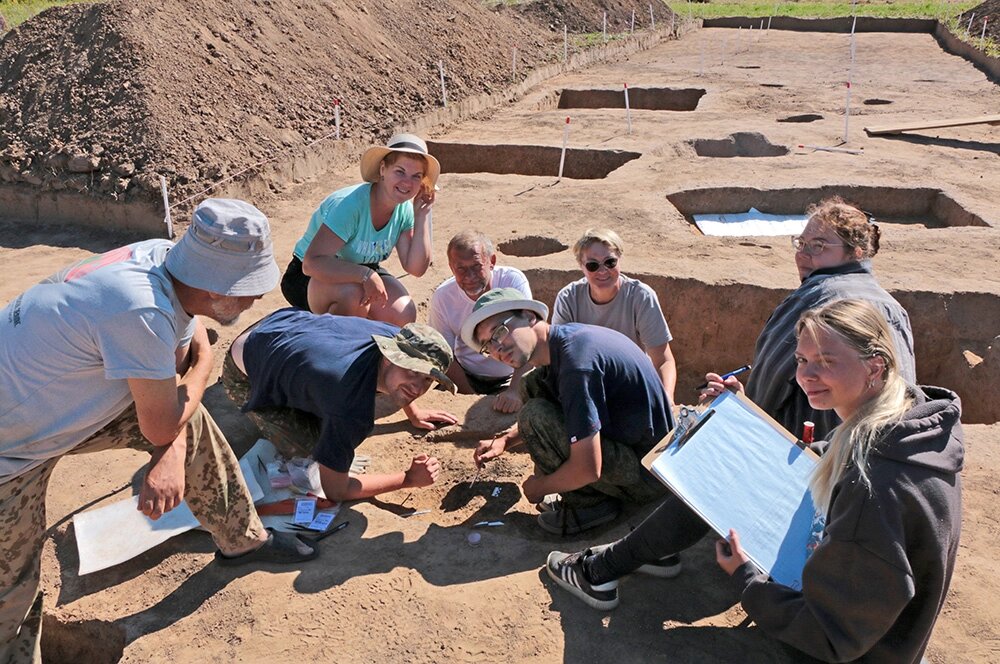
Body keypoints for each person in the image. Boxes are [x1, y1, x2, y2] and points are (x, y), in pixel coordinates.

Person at [546, 299, 962, 664]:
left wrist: (747, 578)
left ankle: (605, 568)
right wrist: (741, 417)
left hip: (852, 650)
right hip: (879, 623)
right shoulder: (905, 422)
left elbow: (830, 636)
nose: (807, 375)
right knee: (722, 471)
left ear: (875, 366)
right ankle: (625, 560)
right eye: (801, 360)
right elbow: (825, 461)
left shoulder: (874, 485)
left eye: (827, 361)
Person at [0, 199, 317, 663]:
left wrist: (167, 452)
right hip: (10, 449)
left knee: (193, 423)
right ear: (214, 288)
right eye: (249, 289)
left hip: (53, 407)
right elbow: (186, 378)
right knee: (11, 581)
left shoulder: (163, 262)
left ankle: (242, 540)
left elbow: (177, 374)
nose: (255, 300)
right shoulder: (141, 310)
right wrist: (207, 360)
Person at [464, 288, 673, 536]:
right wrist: (505, 440)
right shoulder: (566, 342)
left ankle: (589, 506)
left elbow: (588, 468)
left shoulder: (577, 367)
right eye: (488, 345)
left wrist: (540, 486)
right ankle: (585, 492)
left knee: (535, 415)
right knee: (533, 385)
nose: (498, 348)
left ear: (530, 317)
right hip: (639, 450)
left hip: (650, 475)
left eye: (500, 331)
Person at [223, 309, 459, 501]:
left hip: (279, 321)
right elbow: (336, 491)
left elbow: (404, 377)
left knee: (336, 405)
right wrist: (408, 479)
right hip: (244, 367)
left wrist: (413, 412)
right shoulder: (350, 407)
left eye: (427, 379)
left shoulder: (399, 338)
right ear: (389, 357)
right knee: (311, 451)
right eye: (411, 371)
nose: (417, 387)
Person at [738, 197, 915, 441]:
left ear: (856, 252)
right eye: (801, 244)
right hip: (888, 441)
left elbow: (770, 379)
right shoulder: (894, 308)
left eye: (818, 246)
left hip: (813, 449)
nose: (803, 255)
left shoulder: (813, 298)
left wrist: (747, 426)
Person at [280, 133, 439, 326]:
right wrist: (366, 276)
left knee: (403, 314)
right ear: (383, 169)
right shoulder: (350, 206)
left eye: (416, 176)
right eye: (400, 171)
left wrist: (422, 215)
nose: (407, 183)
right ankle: (339, 347)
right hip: (308, 276)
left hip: (361, 270)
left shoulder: (404, 208)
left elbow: (415, 268)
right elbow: (311, 264)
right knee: (354, 296)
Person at [552, 229, 677, 403]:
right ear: (581, 266)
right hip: (586, 384)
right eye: (593, 265)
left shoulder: (641, 297)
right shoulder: (568, 298)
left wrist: (667, 399)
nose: (602, 271)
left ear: (620, 259)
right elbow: (559, 356)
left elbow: (663, 359)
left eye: (610, 262)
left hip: (631, 382)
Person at [428, 230, 533, 413]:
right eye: (461, 269)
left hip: (512, 375)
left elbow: (531, 338)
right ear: (451, 268)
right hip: (466, 376)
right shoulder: (443, 297)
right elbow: (444, 354)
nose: (469, 277)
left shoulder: (512, 281)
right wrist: (468, 395)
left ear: (491, 262)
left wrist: (515, 390)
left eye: (476, 267)